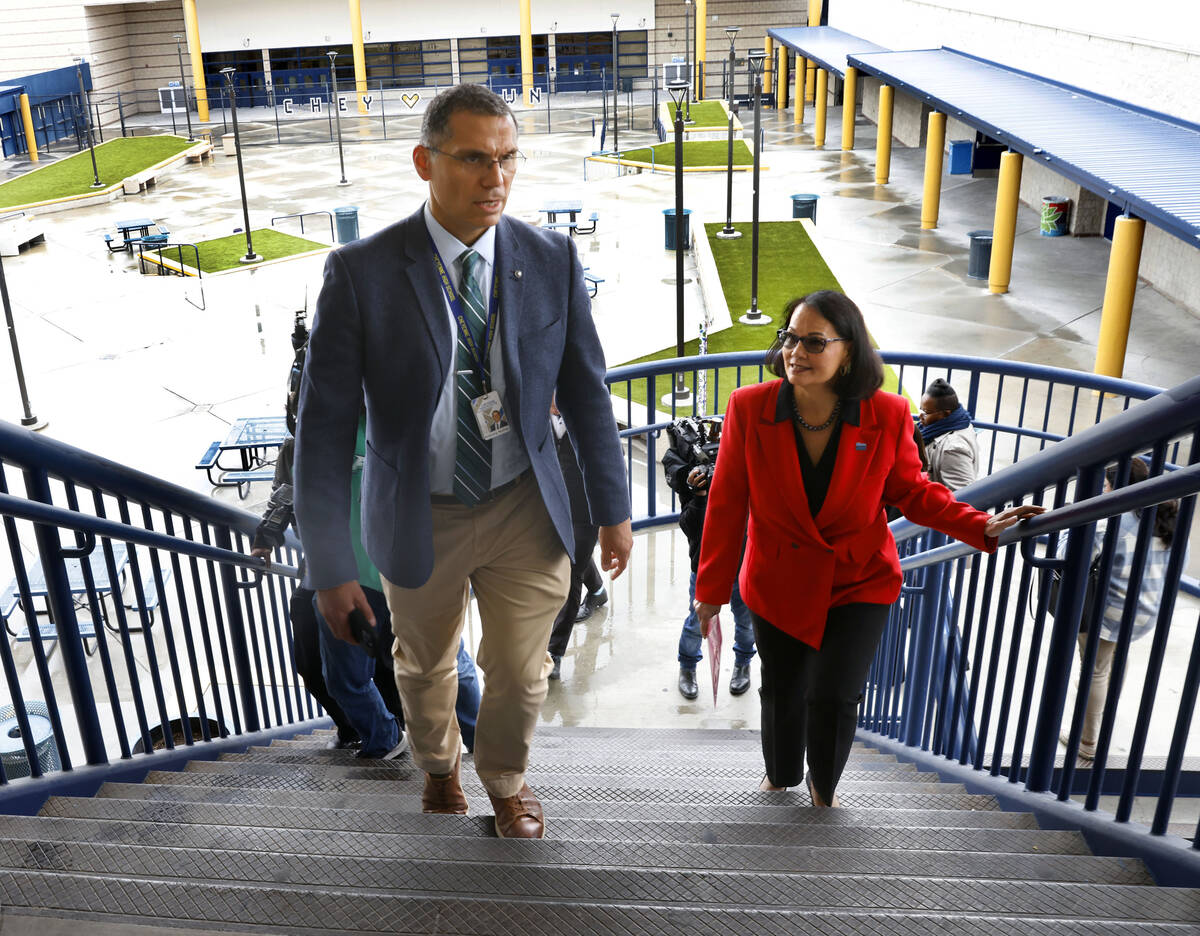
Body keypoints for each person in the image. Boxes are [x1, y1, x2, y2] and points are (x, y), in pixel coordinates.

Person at [294, 83, 631, 839]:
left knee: (521, 669)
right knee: (423, 666)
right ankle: (439, 768)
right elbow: (321, 430)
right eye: (475, 159)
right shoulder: (361, 273)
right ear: (426, 161)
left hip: (523, 502)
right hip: (420, 510)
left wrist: (612, 508)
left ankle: (506, 780)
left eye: (508, 159)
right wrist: (330, 569)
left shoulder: (549, 257)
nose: (497, 179)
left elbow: (586, 389)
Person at [694, 291, 1042, 807]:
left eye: (814, 341)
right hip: (777, 577)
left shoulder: (886, 413)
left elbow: (913, 491)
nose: (796, 351)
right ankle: (781, 774)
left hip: (859, 578)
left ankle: (823, 789)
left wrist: (981, 525)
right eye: (790, 338)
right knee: (784, 688)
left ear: (848, 352)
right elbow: (726, 502)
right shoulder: (750, 408)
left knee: (834, 693)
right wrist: (711, 590)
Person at [253, 422, 481, 757]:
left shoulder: (414, 419)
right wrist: (266, 537)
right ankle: (386, 738)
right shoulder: (310, 435)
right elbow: (289, 489)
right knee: (343, 678)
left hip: (412, 576)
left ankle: (479, 739)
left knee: (450, 665)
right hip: (343, 581)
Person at [1063, 457, 1181, 763]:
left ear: (1116, 487)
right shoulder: (1167, 518)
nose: (1103, 488)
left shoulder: (1109, 522)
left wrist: (1076, 520)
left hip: (1107, 612)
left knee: (1094, 671)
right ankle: (1101, 716)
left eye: (1106, 484)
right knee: (1116, 657)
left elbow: (1070, 558)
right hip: (1144, 611)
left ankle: (1088, 741)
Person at [661, 420, 756, 700]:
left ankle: (743, 663)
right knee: (696, 621)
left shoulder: (747, 483)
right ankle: (687, 668)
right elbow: (693, 527)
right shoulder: (695, 496)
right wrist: (699, 494)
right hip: (705, 564)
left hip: (742, 564)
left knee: (746, 620)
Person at [546, 404, 605, 681]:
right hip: (551, 510)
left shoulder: (589, 414)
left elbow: (609, 466)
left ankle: (554, 651)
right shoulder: (537, 414)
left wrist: (612, 520)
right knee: (576, 558)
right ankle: (598, 590)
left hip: (585, 512)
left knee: (570, 574)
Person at [918, 378, 979, 492]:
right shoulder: (959, 421)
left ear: (945, 414)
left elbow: (962, 495)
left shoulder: (953, 449)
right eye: (921, 410)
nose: (920, 416)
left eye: (926, 412)